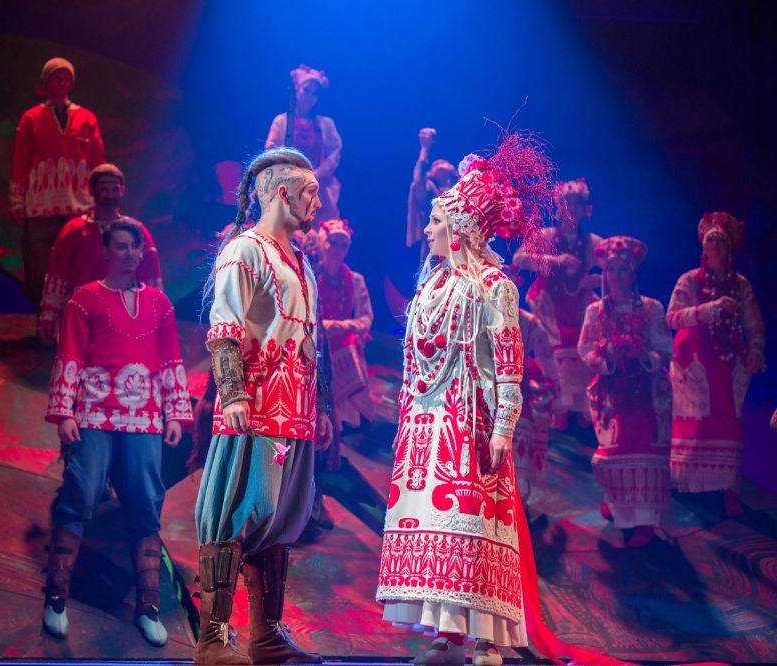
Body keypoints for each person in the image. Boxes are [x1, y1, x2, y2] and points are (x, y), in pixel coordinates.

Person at [377, 133, 555, 666]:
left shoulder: (495, 285)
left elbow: (509, 363)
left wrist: (503, 427)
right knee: (434, 531)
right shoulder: (431, 285)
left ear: (459, 229)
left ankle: (486, 640)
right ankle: (445, 637)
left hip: (468, 423)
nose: (427, 229)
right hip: (426, 426)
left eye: (435, 221)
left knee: (474, 527)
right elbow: (414, 360)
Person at [194, 147, 333, 664]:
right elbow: (225, 326)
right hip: (253, 407)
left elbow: (312, 342)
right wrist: (231, 392)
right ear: (282, 193)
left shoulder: (301, 261)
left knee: (280, 519)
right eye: (311, 192)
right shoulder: (245, 251)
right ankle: (213, 638)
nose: (318, 202)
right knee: (234, 511)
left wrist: (321, 408)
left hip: (294, 411)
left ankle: (266, 636)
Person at [41, 220, 193, 645]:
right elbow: (69, 354)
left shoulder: (160, 304)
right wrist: (64, 412)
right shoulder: (85, 298)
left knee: (145, 502)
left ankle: (148, 607)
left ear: (142, 252)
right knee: (81, 493)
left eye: (134, 247)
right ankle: (56, 596)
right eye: (120, 247)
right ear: (106, 251)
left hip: (143, 417)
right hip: (93, 413)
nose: (128, 254)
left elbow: (170, 360)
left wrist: (176, 414)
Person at [667, 212, 765, 517]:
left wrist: (756, 350)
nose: (716, 248)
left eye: (721, 242)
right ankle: (687, 485)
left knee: (730, 424)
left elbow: (754, 325)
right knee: (696, 424)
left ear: (729, 248)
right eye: (711, 241)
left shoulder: (740, 285)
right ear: (703, 246)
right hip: (695, 362)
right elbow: (672, 317)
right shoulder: (688, 281)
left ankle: (728, 490)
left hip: (727, 362)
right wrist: (707, 310)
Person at [577, 236, 673, 547]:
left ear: (633, 273)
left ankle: (644, 522)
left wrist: (643, 354)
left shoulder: (652, 309)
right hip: (611, 394)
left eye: (623, 269)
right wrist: (607, 358)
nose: (617, 276)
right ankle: (617, 505)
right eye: (612, 270)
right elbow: (585, 349)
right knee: (613, 453)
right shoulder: (595, 311)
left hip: (646, 393)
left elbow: (665, 349)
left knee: (643, 451)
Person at [11, 57, 106, 305]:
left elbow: (98, 162)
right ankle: (45, 320)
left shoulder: (86, 118)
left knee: (80, 269)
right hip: (41, 208)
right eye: (56, 77)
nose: (62, 82)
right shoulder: (31, 118)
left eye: (66, 78)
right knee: (40, 270)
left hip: (79, 207)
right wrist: (17, 201)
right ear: (46, 82)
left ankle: (78, 319)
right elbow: (20, 162)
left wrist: (102, 200)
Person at [37, 163, 161, 344]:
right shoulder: (74, 231)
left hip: (124, 317)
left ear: (122, 191)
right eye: (104, 189)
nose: (110, 195)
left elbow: (150, 275)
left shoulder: (137, 231)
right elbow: (57, 275)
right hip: (82, 316)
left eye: (115, 189)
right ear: (91, 191)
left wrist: (155, 316)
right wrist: (48, 315)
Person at [513, 179, 601, 429]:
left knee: (581, 352)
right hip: (550, 305)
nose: (572, 209)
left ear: (586, 209)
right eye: (567, 204)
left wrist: (598, 279)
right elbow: (519, 258)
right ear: (559, 207)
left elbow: (617, 266)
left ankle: (581, 421)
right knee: (552, 353)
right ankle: (554, 413)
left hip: (579, 306)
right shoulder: (547, 236)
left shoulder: (593, 241)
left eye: (578, 204)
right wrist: (554, 260)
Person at [316, 218, 375, 430]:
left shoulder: (355, 279)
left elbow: (366, 317)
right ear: (323, 243)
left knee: (349, 345)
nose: (338, 250)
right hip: (317, 341)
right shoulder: (311, 275)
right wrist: (323, 327)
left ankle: (341, 424)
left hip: (343, 342)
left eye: (344, 245)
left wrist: (347, 326)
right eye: (334, 243)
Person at [265, 65, 342, 221]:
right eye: (306, 90)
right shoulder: (282, 122)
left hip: (318, 191)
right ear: (297, 90)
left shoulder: (325, 124)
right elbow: (271, 153)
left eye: (315, 93)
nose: (310, 96)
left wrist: (316, 175)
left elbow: (335, 153)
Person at [513, 308, 561, 503]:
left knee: (517, 469)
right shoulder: (473, 309)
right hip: (479, 401)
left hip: (516, 400)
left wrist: (557, 395)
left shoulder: (527, 322)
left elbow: (549, 362)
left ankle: (516, 512)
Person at [407, 128, 459, 257]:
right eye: (434, 164)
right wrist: (425, 148)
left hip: (460, 250)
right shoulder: (430, 192)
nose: (438, 162)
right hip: (436, 255)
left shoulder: (460, 190)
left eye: (442, 162)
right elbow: (418, 180)